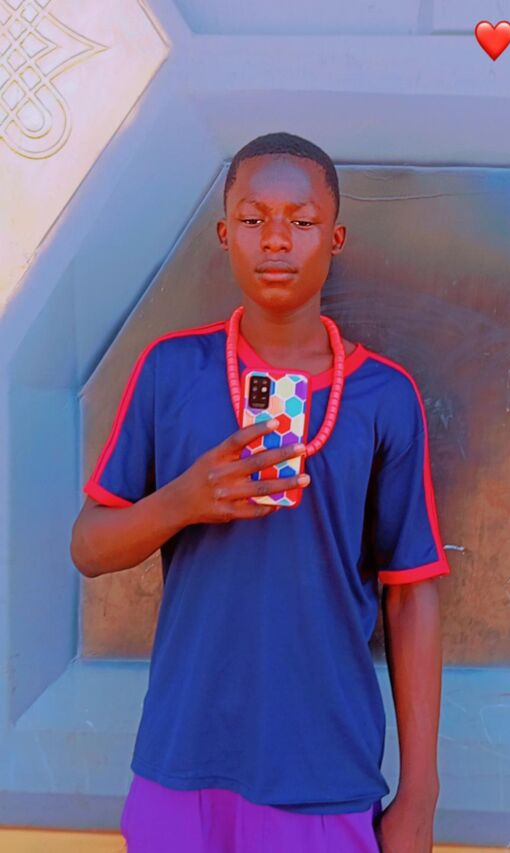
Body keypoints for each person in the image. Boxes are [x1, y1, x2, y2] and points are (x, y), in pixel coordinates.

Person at [70, 131, 450, 852]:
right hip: (183, 759)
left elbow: (412, 594)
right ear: (224, 233)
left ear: (335, 237)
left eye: (301, 221)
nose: (276, 239)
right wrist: (185, 499)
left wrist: (420, 795)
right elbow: (89, 547)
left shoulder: (383, 395)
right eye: (253, 218)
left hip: (324, 771)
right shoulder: (171, 371)